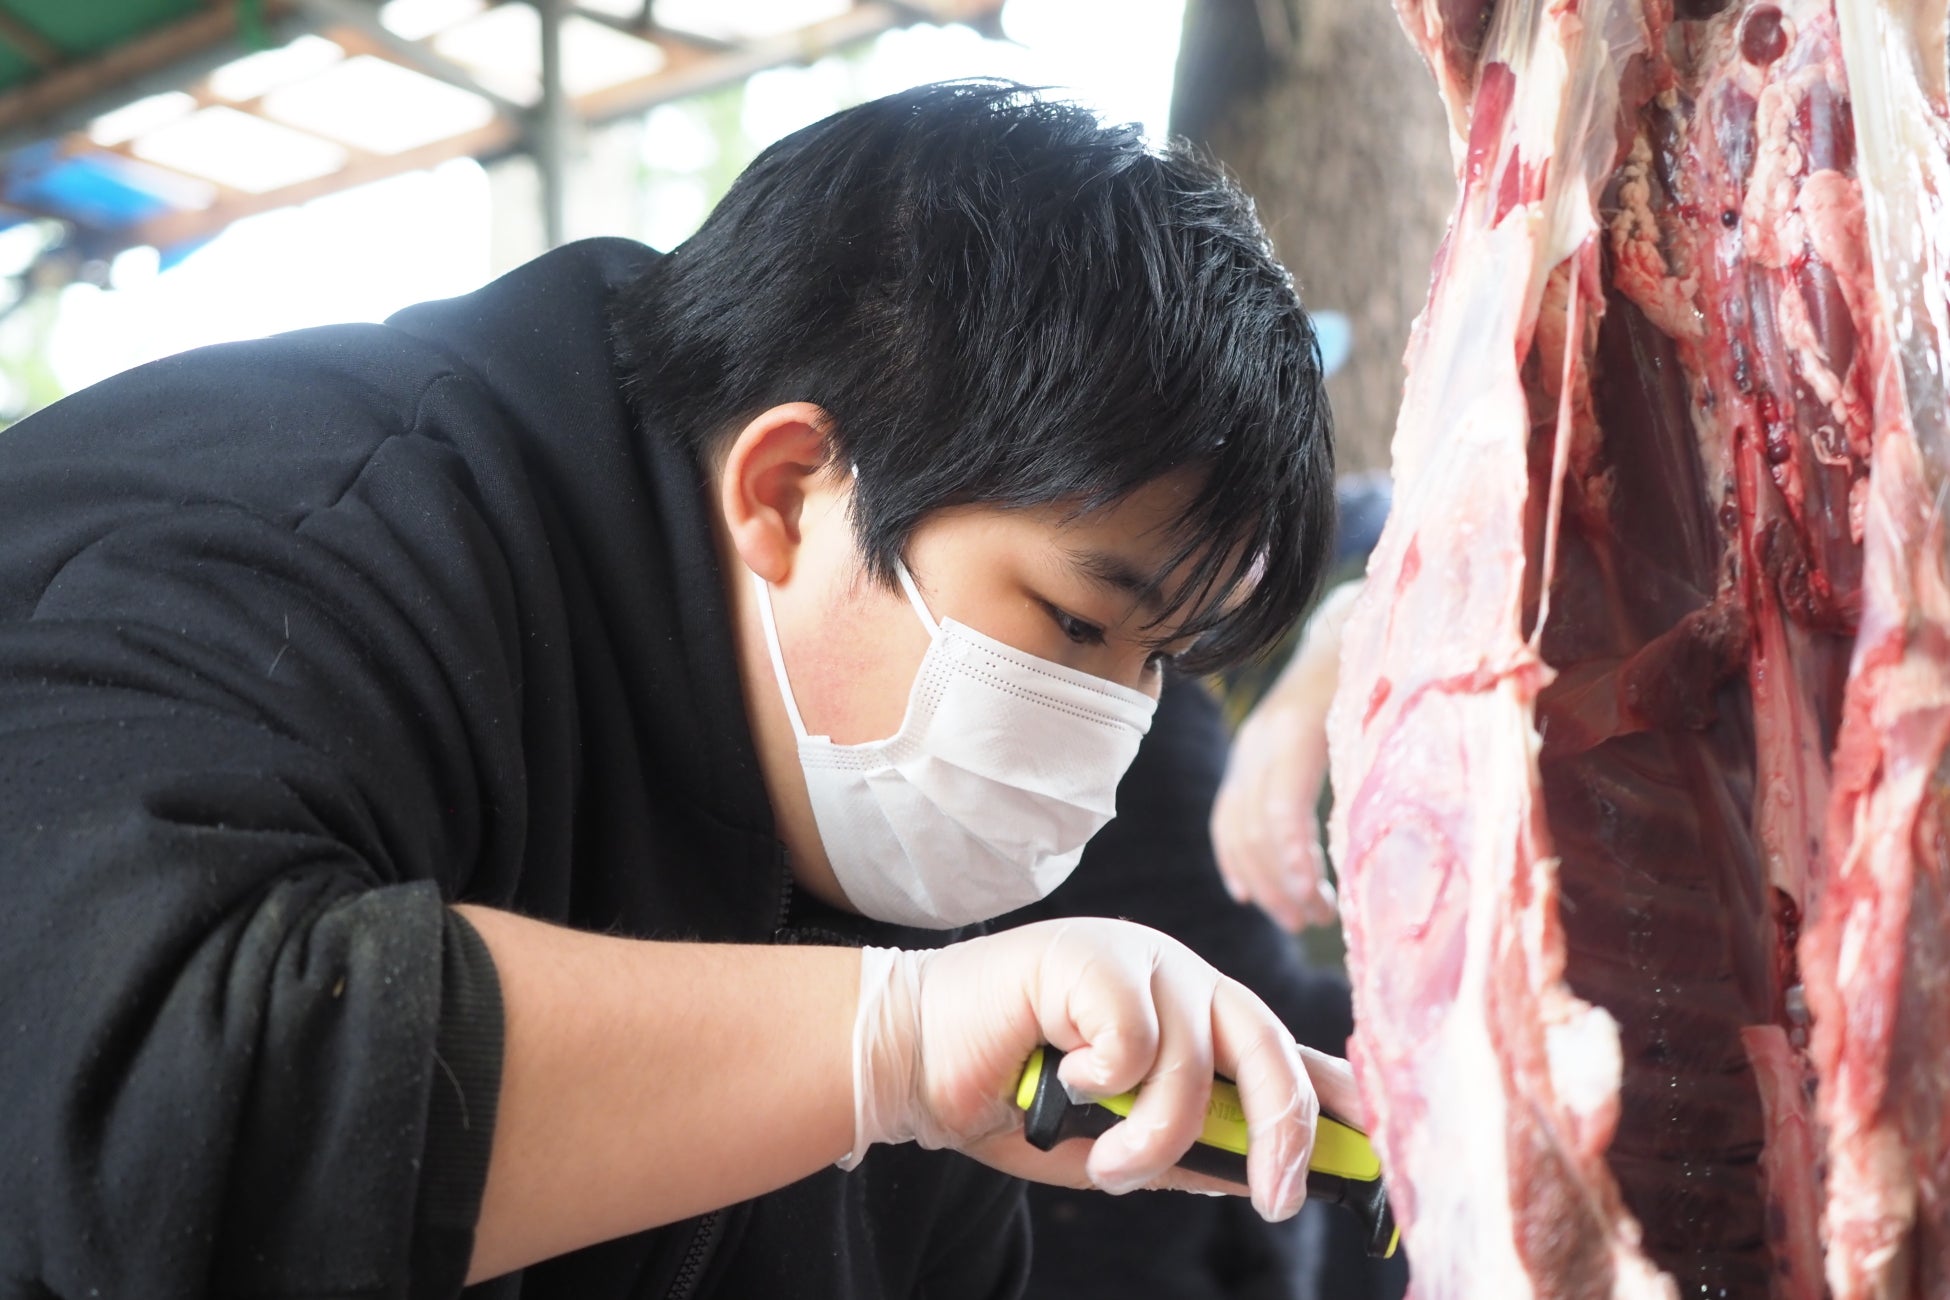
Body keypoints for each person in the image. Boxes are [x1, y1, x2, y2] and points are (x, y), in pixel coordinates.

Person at [0, 82, 1344, 1298]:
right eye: (1076, 623)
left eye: (1157, 663)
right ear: (787, 489)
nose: (1109, 727)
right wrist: (888, 1048)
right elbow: (148, 1118)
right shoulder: (316, 542)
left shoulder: (896, 918)